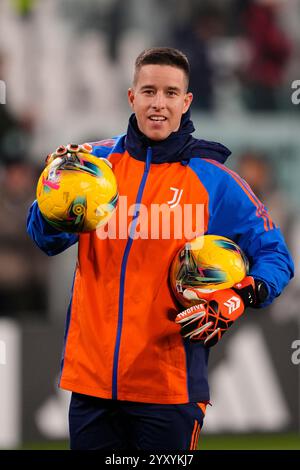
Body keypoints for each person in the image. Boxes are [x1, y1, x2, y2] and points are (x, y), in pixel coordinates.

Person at [27, 47, 294, 450]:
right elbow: (44, 239)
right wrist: (53, 195)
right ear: (131, 96)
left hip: (170, 388)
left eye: (171, 93)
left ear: (186, 102)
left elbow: (276, 256)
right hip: (93, 383)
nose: (159, 104)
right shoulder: (94, 166)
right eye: (149, 91)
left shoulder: (215, 181)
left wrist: (234, 298)